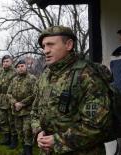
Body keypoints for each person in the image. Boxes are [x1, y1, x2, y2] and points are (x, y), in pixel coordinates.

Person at [31, 26, 112, 155]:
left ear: (68, 45)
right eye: (44, 46)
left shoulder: (87, 75)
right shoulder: (46, 75)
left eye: (50, 45)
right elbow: (35, 110)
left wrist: (58, 141)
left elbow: (96, 125)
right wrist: (38, 132)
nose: (45, 50)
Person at [7, 59, 36, 154]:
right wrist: (15, 103)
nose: (20, 68)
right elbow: (8, 93)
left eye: (22, 66)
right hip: (16, 110)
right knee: (19, 130)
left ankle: (28, 151)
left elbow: (35, 94)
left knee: (27, 130)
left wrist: (22, 103)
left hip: (27, 110)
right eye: (18, 67)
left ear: (26, 66)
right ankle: (24, 148)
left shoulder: (32, 79)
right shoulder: (14, 79)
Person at [0, 55, 18, 148]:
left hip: (10, 99)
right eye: (4, 61)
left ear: (11, 62)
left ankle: (14, 141)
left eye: (7, 61)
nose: (5, 63)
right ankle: (6, 138)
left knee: (11, 121)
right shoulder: (0, 71)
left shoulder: (15, 72)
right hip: (1, 98)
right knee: (3, 120)